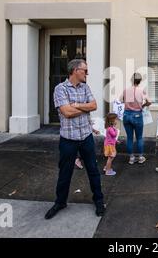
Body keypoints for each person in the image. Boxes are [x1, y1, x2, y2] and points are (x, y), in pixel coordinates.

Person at [45, 59, 105, 219]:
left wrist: (76, 104)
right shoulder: (60, 89)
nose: (87, 73)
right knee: (65, 172)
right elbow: (67, 113)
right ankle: (60, 202)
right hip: (68, 139)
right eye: (85, 70)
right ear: (75, 70)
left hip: (86, 137)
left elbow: (94, 106)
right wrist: (83, 108)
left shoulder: (85, 87)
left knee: (93, 170)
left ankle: (99, 200)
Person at [120, 72, 152, 165]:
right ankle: (141, 157)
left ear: (131, 80)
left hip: (126, 115)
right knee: (139, 138)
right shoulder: (141, 90)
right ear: (140, 81)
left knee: (129, 138)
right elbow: (149, 101)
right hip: (137, 115)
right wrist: (143, 105)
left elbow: (121, 100)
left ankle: (131, 158)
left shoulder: (126, 90)